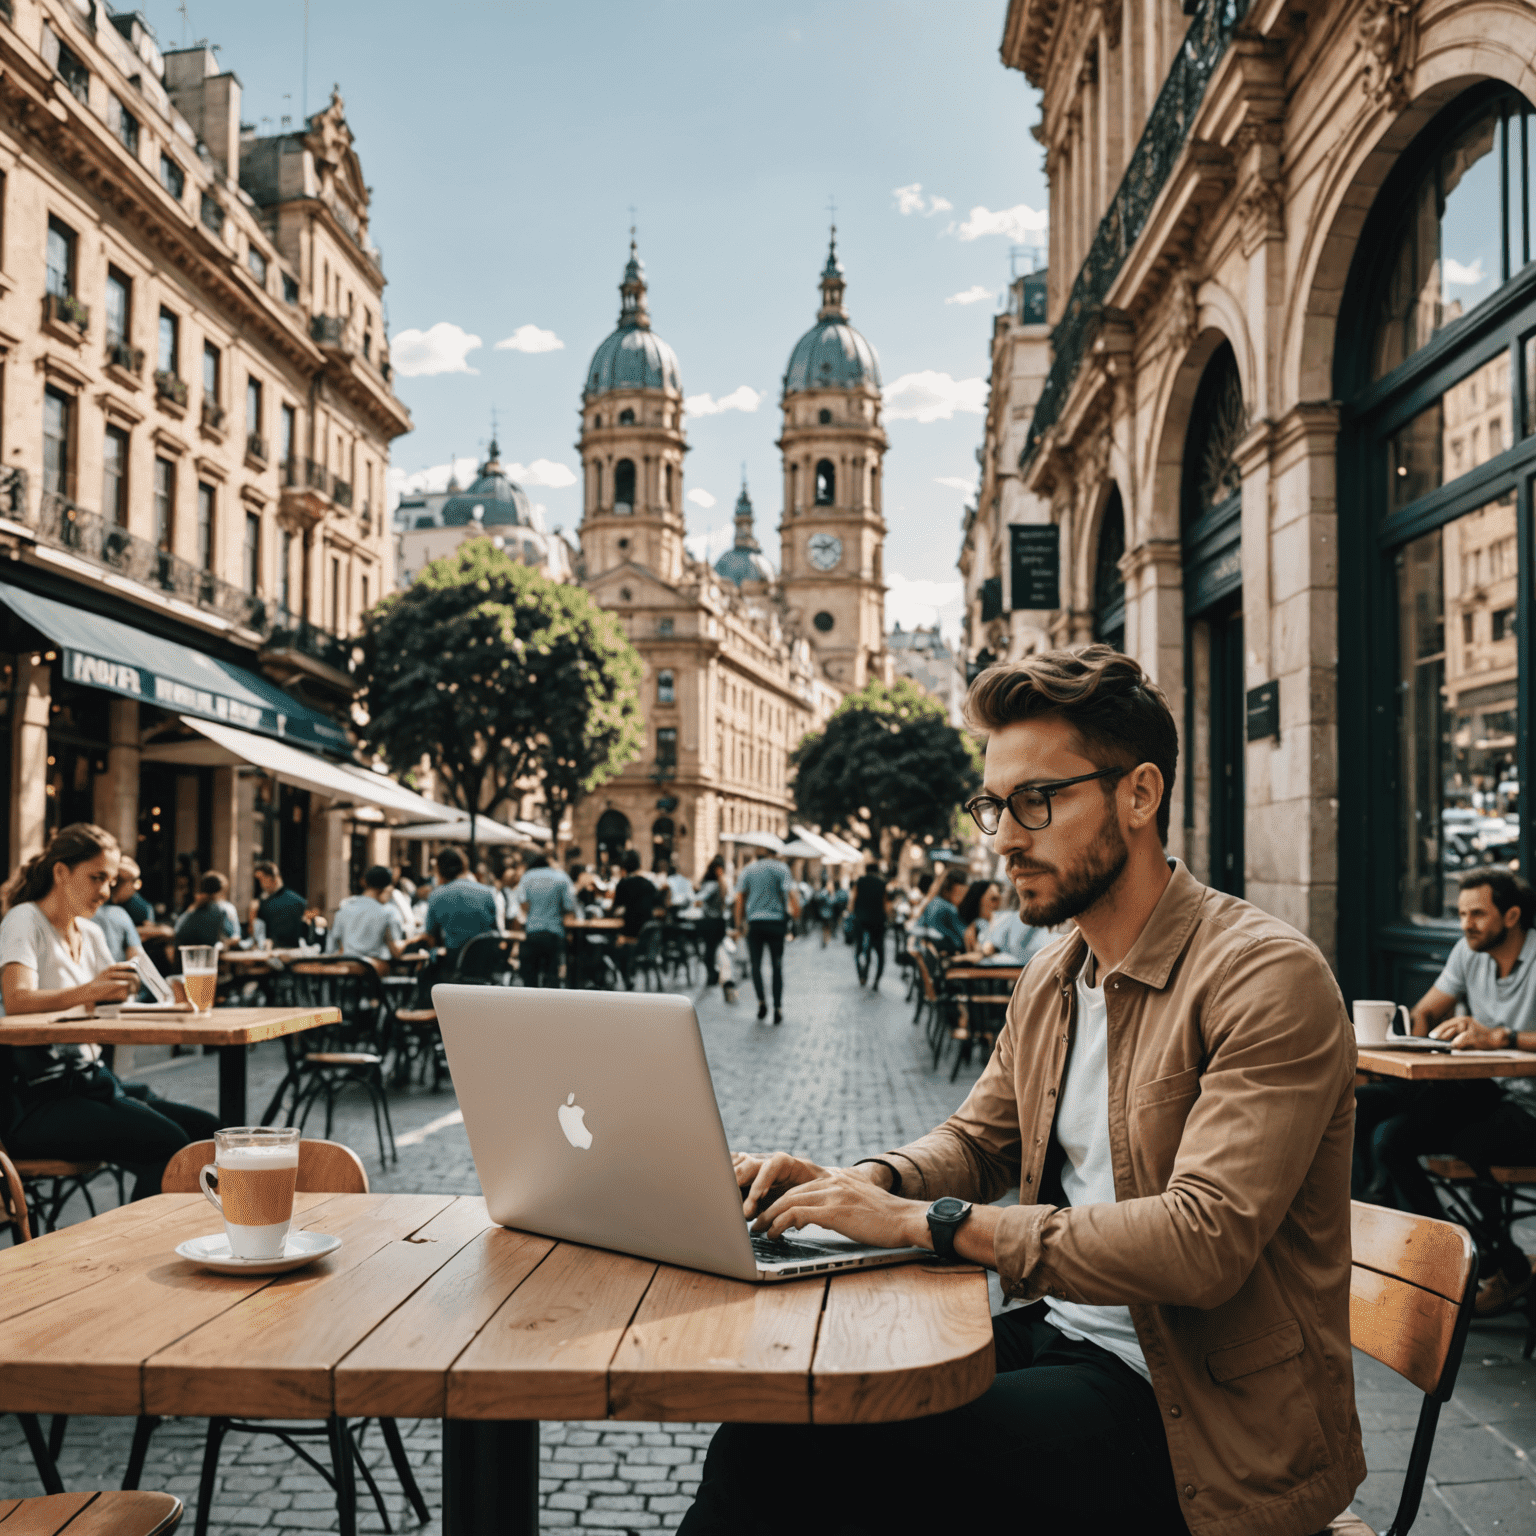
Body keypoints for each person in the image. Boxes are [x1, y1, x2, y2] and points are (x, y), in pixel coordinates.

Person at [685, 646, 1362, 1536]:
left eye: (1036, 801)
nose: (1003, 836)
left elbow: (1203, 1244)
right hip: (1065, 1340)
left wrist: (933, 1225)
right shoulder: (1056, 974)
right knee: (773, 1422)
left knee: (802, 1458)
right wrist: (859, 1185)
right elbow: (979, 1141)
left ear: (1140, 795)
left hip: (1200, 1414)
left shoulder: (1264, 975)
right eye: (992, 807)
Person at [0, 824, 221, 1199]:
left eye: (111, 880)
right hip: (35, 1099)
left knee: (211, 1135)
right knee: (170, 1145)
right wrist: (89, 992)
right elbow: (17, 999)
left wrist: (169, 1004)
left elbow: (113, 1006)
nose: (105, 891)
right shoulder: (25, 919)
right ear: (60, 872)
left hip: (90, 1082)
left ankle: (194, 1242)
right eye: (96, 877)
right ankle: (141, 1251)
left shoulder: (92, 933)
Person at [1357, 866, 1536, 1314]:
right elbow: (1425, 1010)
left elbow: (1500, 1040)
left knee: (1457, 1137)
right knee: (1385, 1134)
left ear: (1512, 915)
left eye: (1477, 914)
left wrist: (1502, 1038)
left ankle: (1501, 1263)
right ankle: (1450, 1267)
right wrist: (1427, 1045)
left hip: (1528, 1106)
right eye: (1460, 914)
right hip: (1484, 1093)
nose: (1465, 924)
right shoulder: (1467, 952)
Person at [732, 847, 799, 1025]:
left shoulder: (747, 870)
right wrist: (796, 916)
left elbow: (740, 899)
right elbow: (790, 895)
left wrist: (738, 924)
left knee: (756, 965)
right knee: (777, 966)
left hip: (755, 924)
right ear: (772, 852)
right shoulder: (781, 869)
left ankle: (762, 1002)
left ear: (756, 854)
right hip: (776, 923)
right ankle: (777, 1007)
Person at [510, 852, 577, 989]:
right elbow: (570, 906)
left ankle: (531, 1008)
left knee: (530, 979)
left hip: (532, 933)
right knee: (552, 977)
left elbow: (523, 904)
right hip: (554, 933)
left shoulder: (527, 877)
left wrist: (534, 911)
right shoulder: (561, 877)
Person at [420, 847, 500, 955]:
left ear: (439, 870)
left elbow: (431, 937)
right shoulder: (488, 892)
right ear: (463, 866)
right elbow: (494, 929)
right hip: (485, 961)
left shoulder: (437, 895)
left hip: (454, 961)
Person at [327, 865, 409, 964]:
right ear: (387, 886)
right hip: (373, 971)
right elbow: (396, 951)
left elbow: (332, 947)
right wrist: (413, 941)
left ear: (364, 882)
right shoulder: (389, 911)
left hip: (347, 969)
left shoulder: (345, 907)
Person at [92, 859, 148, 966]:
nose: (135, 889)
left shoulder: (83, 912)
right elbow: (138, 961)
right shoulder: (119, 914)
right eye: (134, 883)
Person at [850, 864, 893, 988]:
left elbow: (853, 899)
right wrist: (889, 918)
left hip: (861, 920)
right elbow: (886, 904)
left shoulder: (860, 882)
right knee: (880, 953)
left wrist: (853, 913)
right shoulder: (882, 883)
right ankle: (876, 981)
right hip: (877, 921)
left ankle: (862, 975)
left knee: (859, 950)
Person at [174, 872, 238, 950]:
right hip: (212, 952)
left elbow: (177, 930)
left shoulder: (194, 908)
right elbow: (235, 936)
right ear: (223, 889)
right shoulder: (224, 909)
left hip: (191, 952)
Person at [250, 861, 308, 948]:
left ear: (270, 878)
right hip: (295, 951)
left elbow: (254, 933)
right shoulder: (300, 901)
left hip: (273, 952)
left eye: (261, 880)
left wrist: (252, 913)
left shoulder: (264, 904)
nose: (261, 884)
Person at [612, 849, 663, 939]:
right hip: (648, 933)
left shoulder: (623, 883)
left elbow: (616, 909)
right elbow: (659, 908)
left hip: (629, 932)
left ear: (624, 866)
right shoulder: (649, 884)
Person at [697, 856, 730, 989]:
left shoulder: (712, 884)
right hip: (718, 921)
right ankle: (714, 973)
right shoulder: (720, 883)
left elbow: (700, 898)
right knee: (713, 950)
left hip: (710, 922)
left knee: (709, 951)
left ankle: (713, 974)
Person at [957, 878, 1001, 954]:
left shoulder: (996, 923)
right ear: (978, 900)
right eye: (993, 899)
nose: (998, 904)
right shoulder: (971, 929)